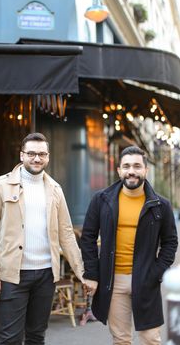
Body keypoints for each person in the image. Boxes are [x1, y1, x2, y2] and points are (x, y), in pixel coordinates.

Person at [0, 132, 84, 345]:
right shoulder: (0, 186)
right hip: (12, 275)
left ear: (47, 157)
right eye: (31, 154)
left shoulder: (55, 189)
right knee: (10, 339)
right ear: (22, 155)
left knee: (37, 337)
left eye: (42, 154)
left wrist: (82, 272)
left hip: (46, 275)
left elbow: (66, 232)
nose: (37, 158)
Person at [81, 146, 178, 345]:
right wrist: (91, 274)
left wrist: (156, 272)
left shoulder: (161, 205)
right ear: (119, 170)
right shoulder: (102, 200)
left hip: (146, 279)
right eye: (126, 166)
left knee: (151, 338)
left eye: (136, 166)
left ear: (145, 171)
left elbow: (170, 243)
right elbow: (88, 237)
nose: (131, 171)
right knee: (121, 339)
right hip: (113, 281)